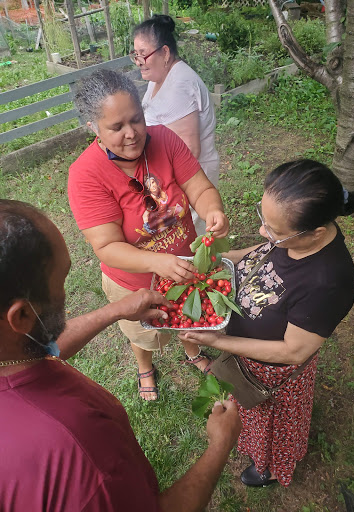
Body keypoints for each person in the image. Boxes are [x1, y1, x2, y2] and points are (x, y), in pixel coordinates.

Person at [0, 199, 241, 511]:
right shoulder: (76, 450)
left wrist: (117, 310)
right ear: (20, 318)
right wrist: (221, 444)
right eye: (61, 280)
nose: (66, 291)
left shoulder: (14, 350)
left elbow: (46, 347)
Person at [180, 160, 354, 487]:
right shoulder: (296, 236)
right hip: (244, 354)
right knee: (247, 410)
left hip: (270, 372)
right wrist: (225, 258)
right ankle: (252, 442)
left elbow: (293, 351)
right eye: (264, 219)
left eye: (274, 231)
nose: (264, 231)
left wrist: (218, 342)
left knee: (270, 420)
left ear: (316, 233)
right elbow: (266, 251)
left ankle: (268, 465)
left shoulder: (328, 283)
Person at [68, 69, 229, 401]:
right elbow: (107, 246)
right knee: (145, 335)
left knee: (188, 312)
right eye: (117, 127)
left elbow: (198, 187)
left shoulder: (164, 139)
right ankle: (145, 365)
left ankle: (192, 351)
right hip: (134, 281)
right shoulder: (85, 175)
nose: (132, 134)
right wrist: (158, 262)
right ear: (93, 129)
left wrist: (212, 209)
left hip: (182, 264)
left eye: (137, 119)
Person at [131, 14, 220, 235]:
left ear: (165, 53)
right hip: (171, 177)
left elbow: (190, 149)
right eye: (135, 55)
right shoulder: (159, 78)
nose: (139, 61)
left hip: (192, 179)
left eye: (144, 54)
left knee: (193, 239)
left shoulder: (180, 85)